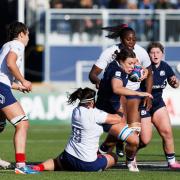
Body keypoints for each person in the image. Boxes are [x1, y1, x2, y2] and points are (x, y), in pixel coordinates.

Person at [30, 87, 144, 172]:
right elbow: (117, 119)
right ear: (91, 102)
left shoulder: (76, 111)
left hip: (69, 156)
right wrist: (121, 107)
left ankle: (37, 167)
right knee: (113, 157)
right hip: (87, 163)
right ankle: (100, 164)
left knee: (56, 162)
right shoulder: (96, 114)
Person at [89, 24, 153, 158]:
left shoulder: (141, 52)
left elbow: (149, 73)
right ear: (121, 39)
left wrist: (147, 93)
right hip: (117, 96)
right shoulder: (110, 52)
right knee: (123, 128)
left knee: (139, 135)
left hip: (134, 95)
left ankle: (106, 148)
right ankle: (129, 162)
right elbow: (93, 74)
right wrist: (97, 81)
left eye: (134, 39)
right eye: (128, 39)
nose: (131, 42)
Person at [95, 48, 153, 172]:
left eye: (133, 63)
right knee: (132, 139)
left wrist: (143, 70)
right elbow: (117, 88)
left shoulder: (120, 64)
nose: (132, 66)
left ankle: (103, 153)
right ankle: (125, 160)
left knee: (129, 138)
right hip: (105, 113)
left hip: (112, 108)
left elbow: (137, 64)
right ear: (121, 61)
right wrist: (141, 93)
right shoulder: (116, 70)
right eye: (129, 64)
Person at [0, 21, 38, 174]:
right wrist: (23, 80)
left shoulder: (6, 45)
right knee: (22, 124)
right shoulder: (17, 45)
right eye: (28, 34)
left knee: (0, 125)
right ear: (21, 34)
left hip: (3, 86)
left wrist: (17, 86)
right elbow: (10, 63)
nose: (28, 38)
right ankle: (21, 166)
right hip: (1, 88)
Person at [139, 42, 180, 169]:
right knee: (145, 140)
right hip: (143, 104)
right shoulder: (142, 67)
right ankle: (131, 150)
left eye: (158, 52)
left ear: (162, 54)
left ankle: (172, 162)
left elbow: (175, 84)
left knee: (167, 132)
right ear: (148, 54)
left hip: (158, 103)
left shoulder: (165, 67)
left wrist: (175, 82)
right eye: (152, 52)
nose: (155, 55)